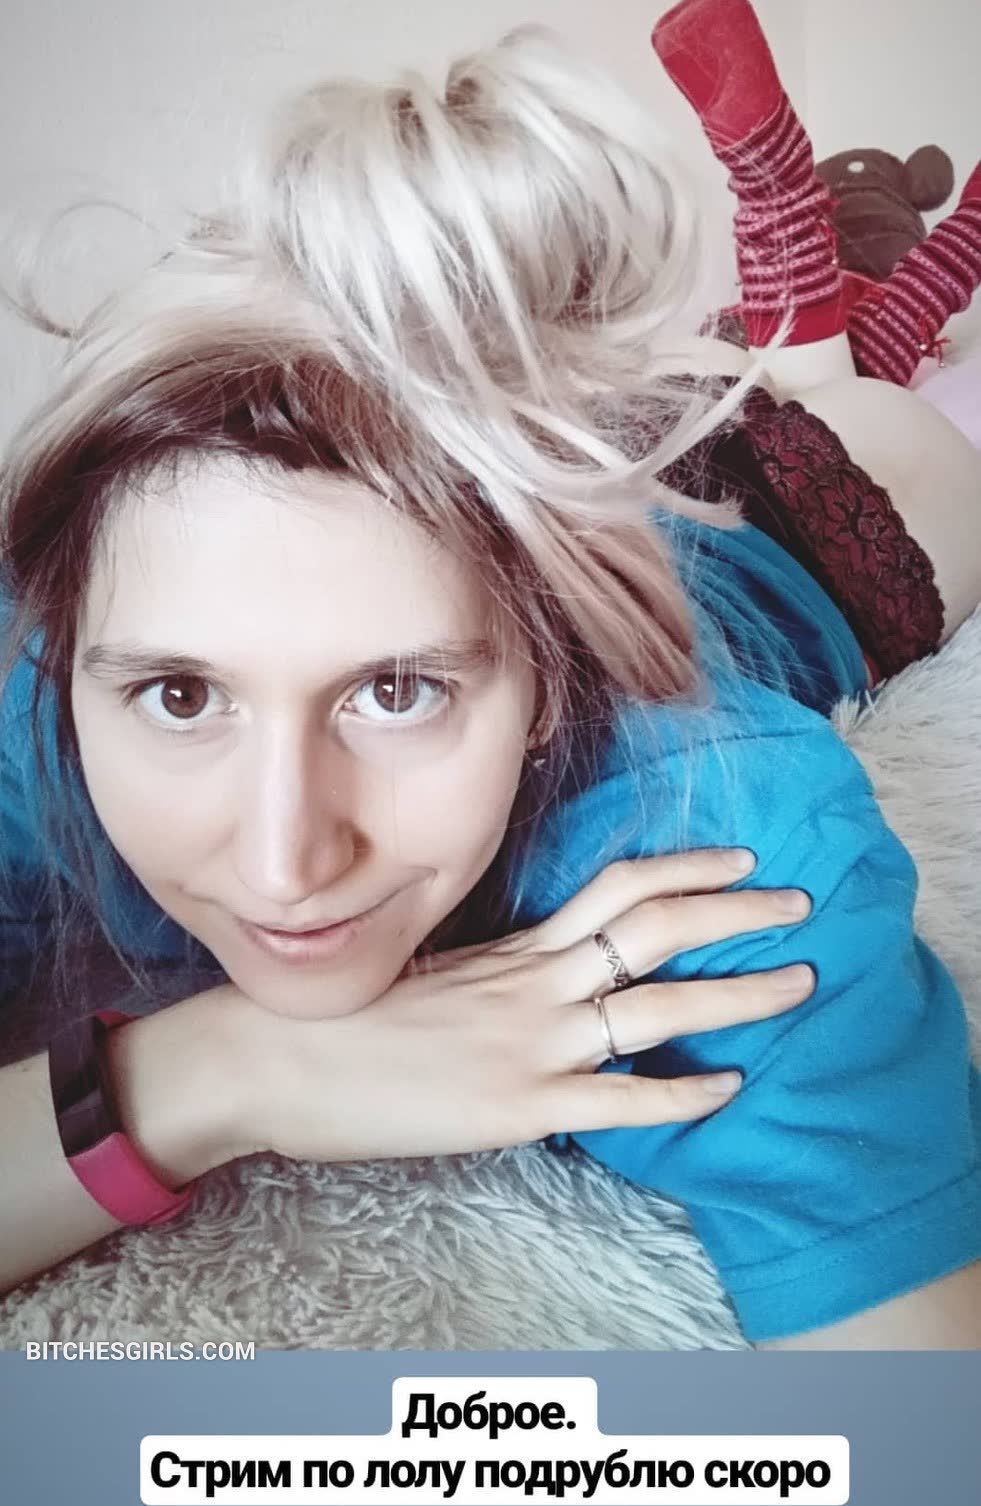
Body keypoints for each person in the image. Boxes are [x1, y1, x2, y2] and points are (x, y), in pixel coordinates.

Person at [0, 10, 978, 1349]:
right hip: (577, 461)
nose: (286, 865)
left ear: (548, 669)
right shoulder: (41, 700)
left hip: (837, 525)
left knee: (861, 376)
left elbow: (911, 1425)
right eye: (181, 698)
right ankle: (809, 251)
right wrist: (207, 1073)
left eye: (397, 691)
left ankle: (837, 243)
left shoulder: (732, 847)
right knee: (746, 357)